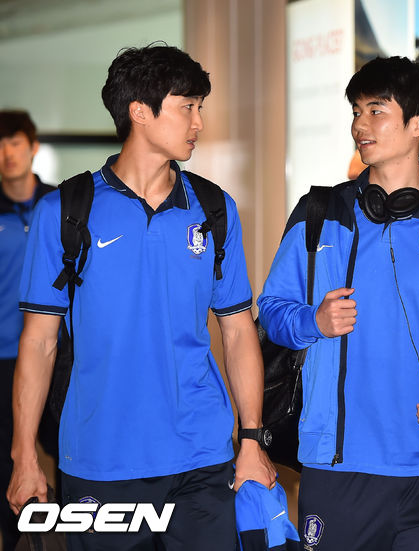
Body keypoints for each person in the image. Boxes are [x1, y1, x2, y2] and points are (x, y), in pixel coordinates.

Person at [7, 45, 275, 550]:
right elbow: (39, 342)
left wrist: (251, 439)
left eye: (200, 107)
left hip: (202, 458)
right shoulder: (65, 211)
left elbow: (239, 330)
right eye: (187, 106)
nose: (199, 122)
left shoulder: (214, 209)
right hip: (100, 461)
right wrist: (24, 456)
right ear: (140, 112)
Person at [258, 56, 419, 551]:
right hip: (339, 469)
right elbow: (272, 311)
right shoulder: (319, 215)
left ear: (418, 123)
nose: (360, 125)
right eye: (356, 112)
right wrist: (313, 321)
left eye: (376, 111)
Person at [0, 110, 56, 551]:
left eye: (15, 142)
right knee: (10, 462)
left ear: (33, 146)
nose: (6, 154)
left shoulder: (59, 206)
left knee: (67, 454)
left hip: (55, 355)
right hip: (3, 358)